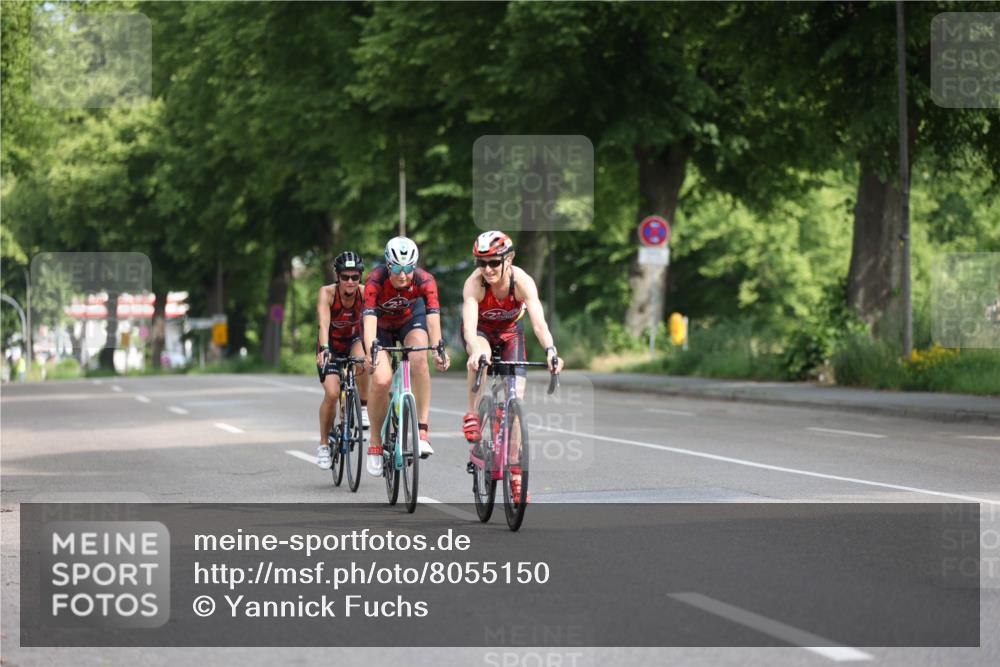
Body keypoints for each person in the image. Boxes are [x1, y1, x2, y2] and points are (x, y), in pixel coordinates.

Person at [460, 230, 563, 502]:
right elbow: (470, 327)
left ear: (509, 259)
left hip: (510, 334)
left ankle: (516, 474)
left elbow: (539, 324)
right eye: (482, 263)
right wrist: (474, 349)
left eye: (494, 262)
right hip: (481, 333)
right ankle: (472, 413)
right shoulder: (474, 284)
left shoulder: (522, 282)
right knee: (481, 356)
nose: (488, 269)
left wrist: (551, 351)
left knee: (516, 400)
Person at [363, 236, 450, 475]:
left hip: (410, 320)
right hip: (380, 325)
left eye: (409, 268)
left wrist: (438, 348)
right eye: (397, 268)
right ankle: (375, 442)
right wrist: (371, 348)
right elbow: (369, 319)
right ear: (388, 265)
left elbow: (433, 319)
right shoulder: (374, 280)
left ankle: (422, 432)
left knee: (420, 360)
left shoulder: (425, 280)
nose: (403, 275)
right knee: (381, 379)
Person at [315, 251, 369, 469]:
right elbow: (323, 324)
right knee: (332, 393)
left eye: (355, 277)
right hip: (331, 345)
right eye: (345, 276)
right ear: (337, 276)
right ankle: (323, 444)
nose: (350, 281)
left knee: (362, 359)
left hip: (353, 340)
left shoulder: (365, 294)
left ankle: (363, 407)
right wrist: (325, 348)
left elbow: (371, 323)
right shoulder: (327, 293)